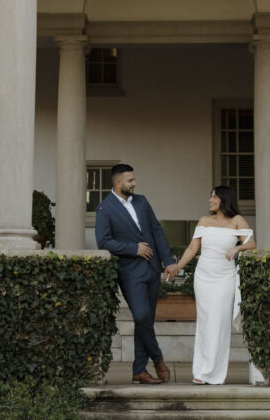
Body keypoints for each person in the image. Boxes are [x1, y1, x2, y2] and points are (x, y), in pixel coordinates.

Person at [95, 163, 179, 384]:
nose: (134, 183)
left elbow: (156, 231)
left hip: (152, 269)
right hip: (130, 272)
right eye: (130, 180)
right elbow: (103, 241)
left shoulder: (142, 201)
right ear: (117, 182)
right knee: (141, 316)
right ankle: (158, 358)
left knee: (146, 321)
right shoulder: (104, 208)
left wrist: (168, 261)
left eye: (134, 179)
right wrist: (134, 249)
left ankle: (139, 371)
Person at [171, 185, 256, 385]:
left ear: (224, 199)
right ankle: (201, 372)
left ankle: (214, 373)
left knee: (219, 323)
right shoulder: (204, 221)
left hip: (225, 277)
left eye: (214, 197)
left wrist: (237, 249)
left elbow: (252, 244)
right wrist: (177, 266)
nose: (210, 200)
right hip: (203, 276)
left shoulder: (237, 221)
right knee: (205, 322)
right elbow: (193, 248)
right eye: (210, 197)